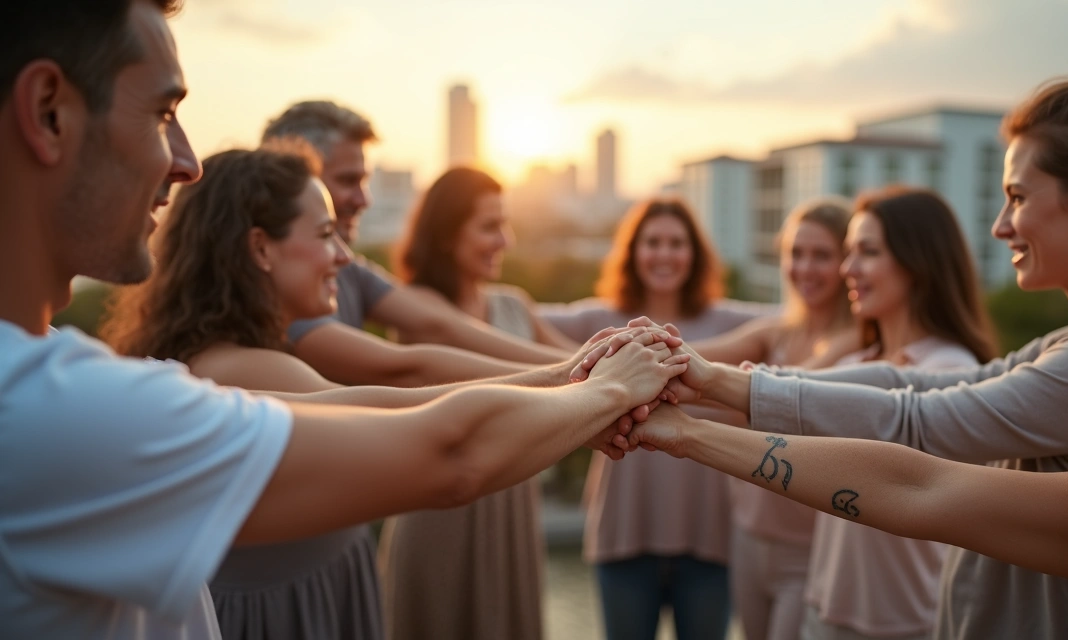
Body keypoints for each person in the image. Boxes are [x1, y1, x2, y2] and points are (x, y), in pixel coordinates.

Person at [0, 2, 684, 637]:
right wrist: (606, 389)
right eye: (161, 114)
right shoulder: (53, 411)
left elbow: (380, 399)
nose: (186, 162)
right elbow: (440, 439)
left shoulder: (59, 389)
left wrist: (573, 375)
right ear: (49, 112)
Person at [596, 52, 1068, 640]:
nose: (1000, 225)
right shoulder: (1066, 350)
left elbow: (922, 458)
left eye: (1018, 197)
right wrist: (709, 383)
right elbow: (915, 395)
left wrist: (693, 423)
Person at [542, 198, 771, 640]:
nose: (664, 254)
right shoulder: (599, 319)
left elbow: (800, 322)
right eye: (653, 242)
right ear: (633, 252)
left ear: (695, 253)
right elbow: (513, 321)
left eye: (676, 243)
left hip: (709, 538)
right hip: (624, 534)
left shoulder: (731, 320)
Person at [378, 167, 577, 640]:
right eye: (489, 226)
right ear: (447, 234)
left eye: (504, 224)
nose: (504, 239)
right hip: (438, 509)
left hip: (511, 507)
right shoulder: (416, 312)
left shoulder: (516, 305)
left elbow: (576, 368)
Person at [261, 101, 576, 386]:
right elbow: (404, 368)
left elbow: (443, 325)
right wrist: (574, 376)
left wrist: (589, 365)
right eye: (347, 180)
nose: (364, 199)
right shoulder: (274, 285)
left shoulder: (351, 270)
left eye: (364, 181)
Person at [800, 186, 997, 640]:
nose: (847, 269)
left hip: (912, 623)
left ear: (917, 261)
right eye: (849, 253)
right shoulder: (851, 366)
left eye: (867, 252)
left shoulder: (955, 371)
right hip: (825, 610)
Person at [691, 198, 855, 640]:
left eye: (821, 255)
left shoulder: (858, 343)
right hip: (747, 538)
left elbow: (798, 395)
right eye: (795, 254)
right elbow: (693, 361)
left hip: (808, 552)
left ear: (846, 262)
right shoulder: (774, 331)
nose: (805, 268)